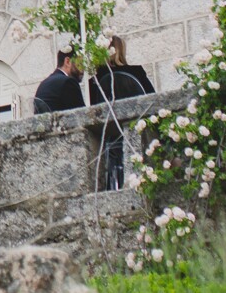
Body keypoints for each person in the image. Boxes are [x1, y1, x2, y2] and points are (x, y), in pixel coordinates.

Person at [88, 36, 153, 190]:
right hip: (137, 128)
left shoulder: (94, 81)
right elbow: (151, 98)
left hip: (109, 135)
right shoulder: (136, 72)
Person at [32, 51, 85, 115]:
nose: (82, 70)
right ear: (67, 62)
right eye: (80, 64)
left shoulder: (44, 83)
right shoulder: (68, 82)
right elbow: (81, 114)